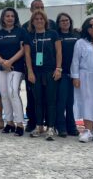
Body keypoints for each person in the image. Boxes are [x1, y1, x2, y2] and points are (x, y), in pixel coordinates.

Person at [24, 9, 62, 141]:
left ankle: (50, 127)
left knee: (51, 100)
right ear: (32, 22)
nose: (39, 21)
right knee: (38, 100)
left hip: (51, 71)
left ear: (45, 21)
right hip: (36, 72)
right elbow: (27, 55)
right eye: (36, 19)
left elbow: (58, 52)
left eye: (41, 19)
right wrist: (30, 72)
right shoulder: (29, 36)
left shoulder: (53, 34)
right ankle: (39, 126)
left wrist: (58, 68)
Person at [0, 8, 26, 136]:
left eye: (12, 16)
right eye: (7, 16)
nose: (10, 18)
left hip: (15, 67)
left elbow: (23, 50)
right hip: (0, 67)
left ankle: (20, 124)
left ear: (15, 18)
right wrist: (2, 62)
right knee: (4, 94)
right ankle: (9, 122)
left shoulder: (21, 31)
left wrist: (10, 62)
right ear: (3, 18)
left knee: (13, 92)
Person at [55, 13, 80, 138]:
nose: (65, 22)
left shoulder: (77, 35)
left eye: (67, 20)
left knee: (70, 102)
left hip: (74, 73)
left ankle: (71, 126)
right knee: (61, 101)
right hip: (62, 73)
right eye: (62, 21)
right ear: (58, 23)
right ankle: (61, 126)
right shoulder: (56, 36)